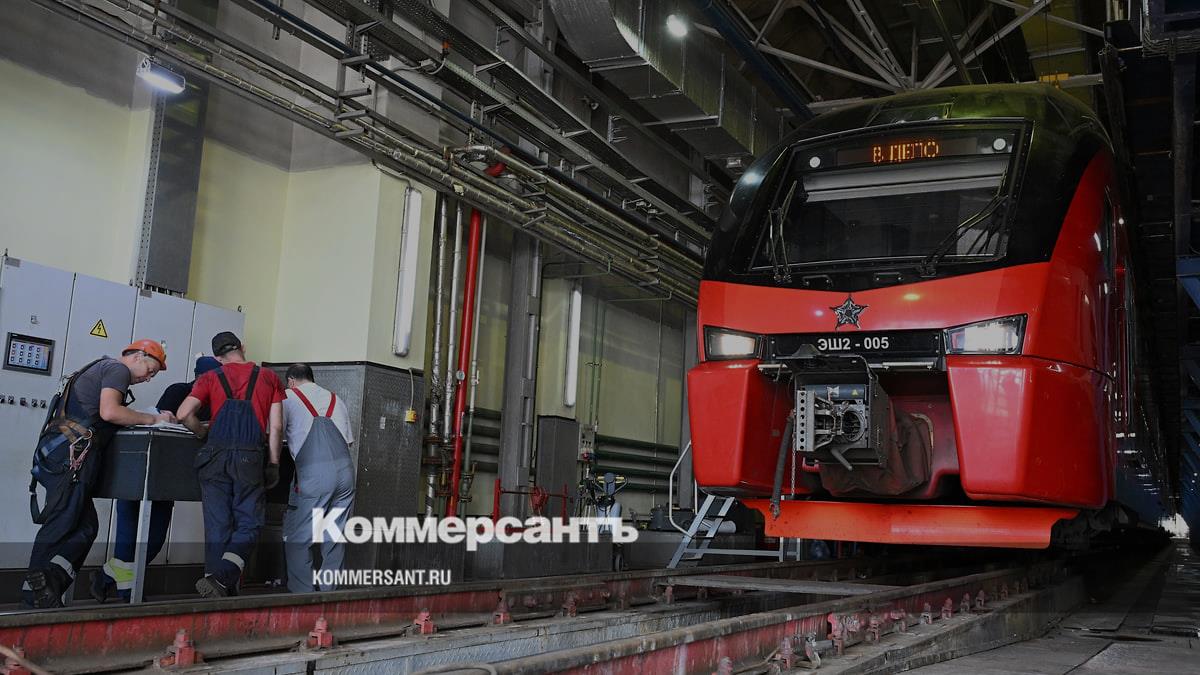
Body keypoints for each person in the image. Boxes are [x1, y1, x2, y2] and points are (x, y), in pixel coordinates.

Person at [22, 341, 173, 608]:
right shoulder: (117, 370)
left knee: (85, 527)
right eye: (151, 370)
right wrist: (153, 419)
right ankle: (33, 596)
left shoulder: (101, 368)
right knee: (61, 523)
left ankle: (50, 583)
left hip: (62, 454)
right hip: (70, 457)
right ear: (138, 356)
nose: (149, 377)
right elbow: (110, 411)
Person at [90, 355, 222, 602]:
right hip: (140, 473)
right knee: (128, 541)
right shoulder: (179, 391)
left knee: (154, 541)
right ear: (200, 378)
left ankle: (106, 577)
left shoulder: (217, 401)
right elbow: (164, 422)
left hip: (167, 480)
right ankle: (127, 596)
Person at [176, 332, 284, 598]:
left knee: (217, 525)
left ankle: (212, 588)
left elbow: (183, 413)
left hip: (214, 458)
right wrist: (273, 463)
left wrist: (201, 432)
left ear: (217, 357)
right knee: (249, 523)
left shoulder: (210, 377)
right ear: (242, 347)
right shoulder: (268, 377)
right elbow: (276, 427)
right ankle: (223, 576)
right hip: (249, 459)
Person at [280, 363, 355, 593]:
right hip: (345, 474)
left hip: (315, 475)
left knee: (299, 537)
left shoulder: (288, 397)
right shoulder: (335, 399)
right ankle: (329, 593)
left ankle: (303, 596)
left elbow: (275, 432)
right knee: (334, 536)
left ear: (291, 381)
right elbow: (348, 442)